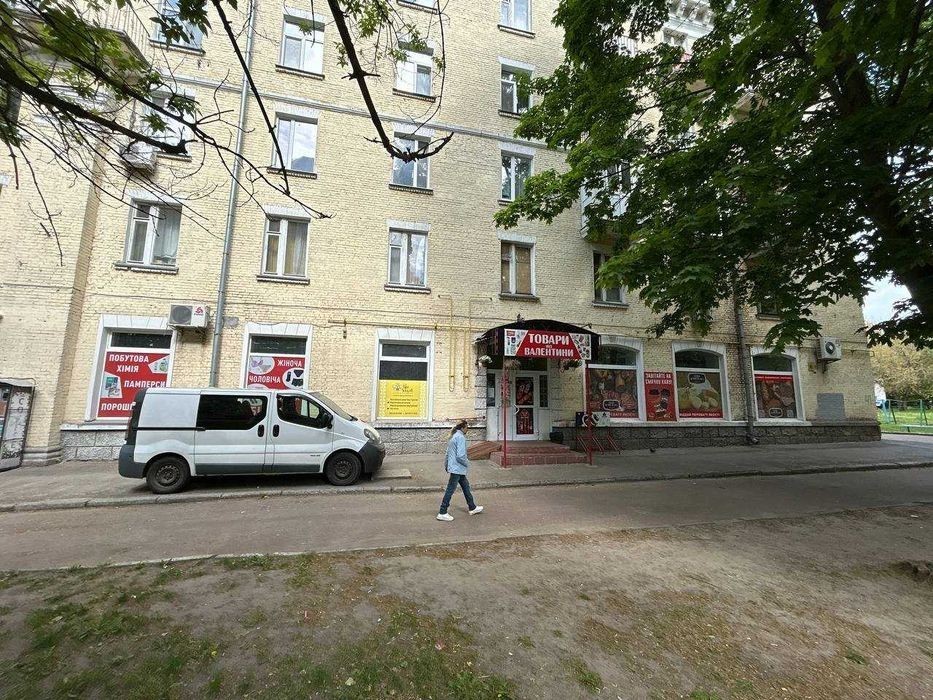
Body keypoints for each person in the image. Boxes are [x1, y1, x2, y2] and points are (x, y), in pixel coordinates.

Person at [436, 419, 483, 521]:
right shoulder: (460, 437)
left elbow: (447, 453)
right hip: (457, 468)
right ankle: (442, 512)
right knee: (450, 489)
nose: (467, 429)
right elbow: (461, 456)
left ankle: (472, 507)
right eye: (467, 427)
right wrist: (467, 463)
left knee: (466, 486)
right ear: (462, 428)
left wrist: (446, 465)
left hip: (455, 468)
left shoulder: (453, 436)